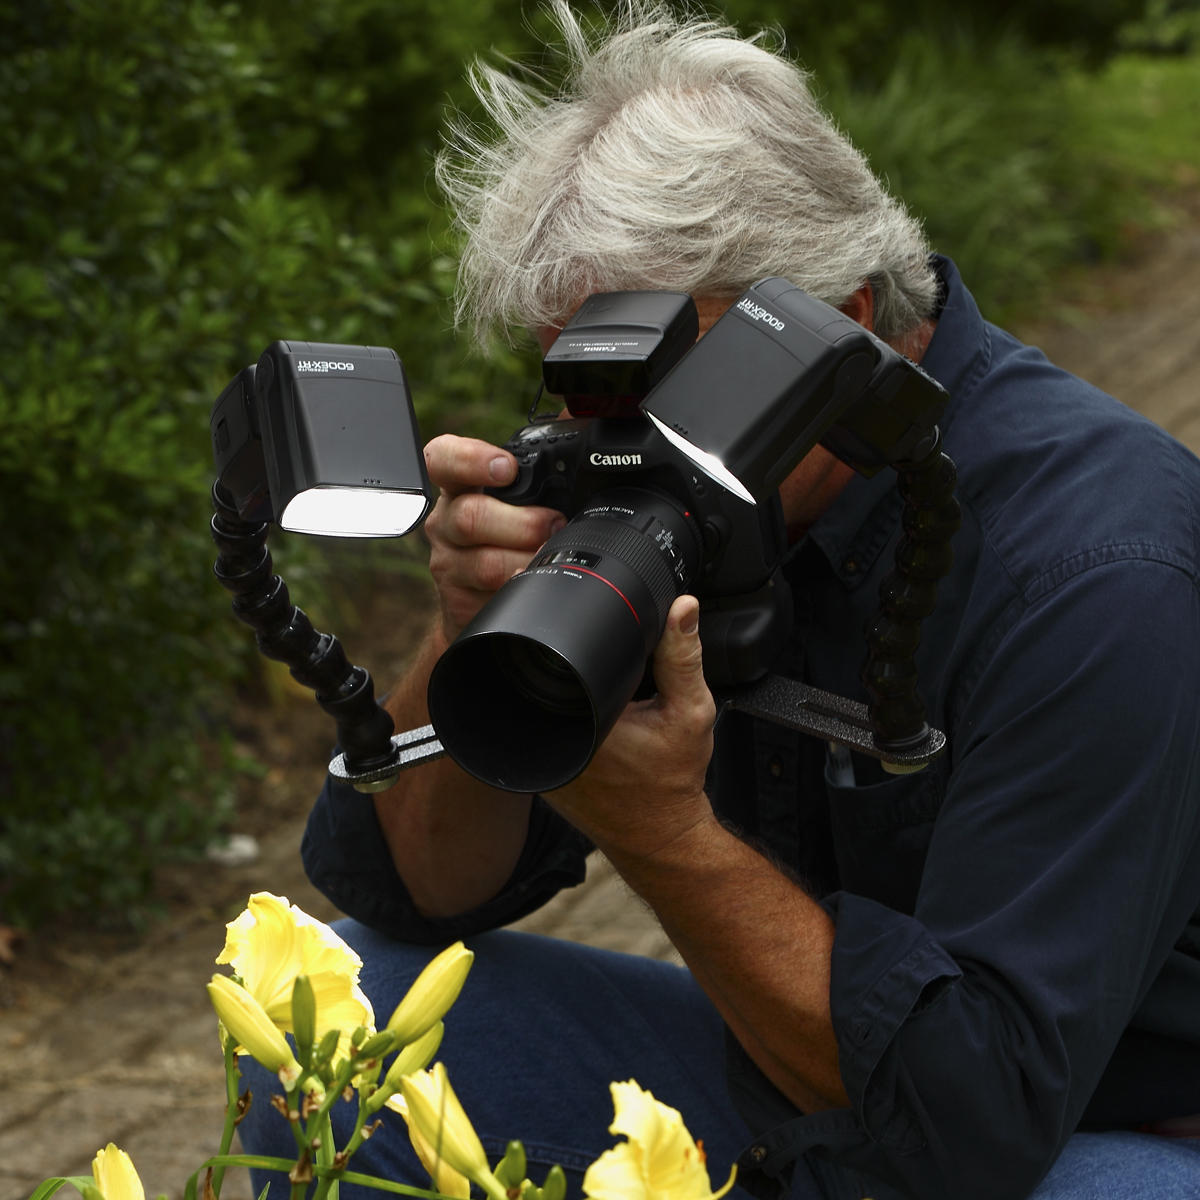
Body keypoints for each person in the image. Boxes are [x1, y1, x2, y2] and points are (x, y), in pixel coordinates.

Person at [238, 3, 1200, 1197]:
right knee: (339, 1031)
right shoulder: (663, 484)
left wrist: (662, 835)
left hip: (1101, 1133)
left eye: (651, 386)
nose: (613, 442)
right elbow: (412, 894)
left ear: (836, 330)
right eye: (575, 390)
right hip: (799, 1063)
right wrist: (476, 632)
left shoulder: (1098, 570)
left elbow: (975, 1126)